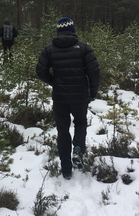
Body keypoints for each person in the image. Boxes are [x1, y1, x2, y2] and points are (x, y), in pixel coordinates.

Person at [36, 17, 100, 180]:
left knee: (62, 130)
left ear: (58, 31)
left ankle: (66, 169)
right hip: (80, 96)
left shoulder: (49, 49)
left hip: (60, 97)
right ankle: (78, 149)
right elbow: (94, 72)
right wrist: (92, 92)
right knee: (80, 122)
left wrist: (54, 82)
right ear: (72, 30)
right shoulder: (84, 47)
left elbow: (40, 71)